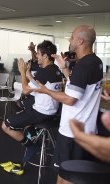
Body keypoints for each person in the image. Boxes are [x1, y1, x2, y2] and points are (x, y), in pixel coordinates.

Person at [34, 25, 103, 184]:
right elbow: (77, 88)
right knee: (66, 174)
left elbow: (70, 99)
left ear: (80, 41)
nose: (69, 39)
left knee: (69, 177)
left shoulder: (83, 66)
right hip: (87, 131)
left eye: (71, 37)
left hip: (72, 134)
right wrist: (64, 69)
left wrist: (46, 91)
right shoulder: (95, 62)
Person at [1, 40, 63, 175]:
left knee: (5, 126)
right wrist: (29, 75)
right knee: (21, 105)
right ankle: (31, 130)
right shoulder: (55, 70)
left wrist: (22, 72)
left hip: (42, 112)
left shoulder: (46, 72)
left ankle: (32, 145)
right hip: (52, 111)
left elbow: (25, 89)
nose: (37, 57)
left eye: (39, 54)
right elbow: (41, 85)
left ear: (46, 56)